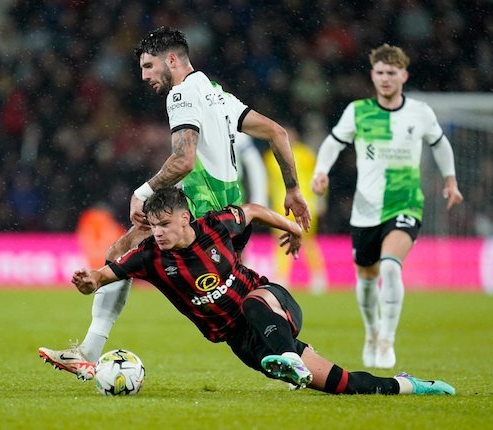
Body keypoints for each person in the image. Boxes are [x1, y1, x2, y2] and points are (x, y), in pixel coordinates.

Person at [39, 27, 311, 380]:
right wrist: (292, 189)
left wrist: (142, 192)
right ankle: (287, 353)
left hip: (201, 211)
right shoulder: (217, 94)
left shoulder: (181, 95)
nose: (144, 76)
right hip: (229, 213)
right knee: (214, 299)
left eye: (149, 66)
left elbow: (183, 160)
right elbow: (278, 132)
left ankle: (88, 353)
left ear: (171, 59)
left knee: (123, 255)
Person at [72, 187, 456, 396]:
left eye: (165, 224)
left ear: (185, 217)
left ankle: (287, 356)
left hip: (272, 303)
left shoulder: (216, 226)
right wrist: (91, 281)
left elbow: (252, 210)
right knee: (341, 384)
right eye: (154, 225)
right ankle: (411, 385)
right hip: (243, 343)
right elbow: (107, 274)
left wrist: (290, 228)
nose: (158, 232)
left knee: (252, 304)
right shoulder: (149, 257)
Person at [311, 44, 464, 369]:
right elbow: (333, 143)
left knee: (391, 266)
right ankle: (371, 331)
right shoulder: (358, 111)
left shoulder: (419, 112)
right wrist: (321, 171)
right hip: (366, 209)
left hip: (405, 203)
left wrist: (450, 180)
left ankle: (387, 340)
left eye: (391, 73)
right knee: (366, 277)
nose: (385, 78)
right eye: (380, 72)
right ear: (373, 75)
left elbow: (440, 145)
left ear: (403, 75)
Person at [263, 126, 328, 292]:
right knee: (281, 243)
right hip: (280, 207)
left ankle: (318, 277)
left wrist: (321, 201)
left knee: (308, 242)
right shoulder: (270, 157)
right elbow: (268, 182)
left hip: (305, 206)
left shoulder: (306, 154)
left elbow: (318, 179)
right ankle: (281, 278)